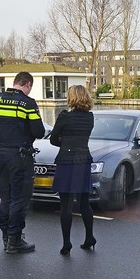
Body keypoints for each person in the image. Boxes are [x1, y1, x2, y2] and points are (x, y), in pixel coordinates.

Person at [0, 72, 46, 254]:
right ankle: (15, 240)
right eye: (30, 87)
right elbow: (39, 131)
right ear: (27, 84)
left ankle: (6, 237)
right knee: (19, 198)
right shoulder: (27, 103)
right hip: (19, 157)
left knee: (5, 197)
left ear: (14, 83)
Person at [50, 85, 96, 256]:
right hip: (83, 161)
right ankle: (89, 237)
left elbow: (53, 139)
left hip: (67, 161)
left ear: (71, 98)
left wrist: (65, 140)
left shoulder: (64, 117)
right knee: (84, 202)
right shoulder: (90, 118)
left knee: (66, 206)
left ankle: (66, 243)